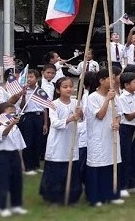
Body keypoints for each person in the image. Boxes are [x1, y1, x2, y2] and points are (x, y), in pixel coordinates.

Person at [40, 76, 83, 205]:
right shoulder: (54, 104)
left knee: (72, 169)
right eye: (65, 87)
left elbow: (81, 120)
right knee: (57, 171)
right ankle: (54, 197)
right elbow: (55, 123)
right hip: (58, 143)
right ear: (58, 90)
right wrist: (70, 119)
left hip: (71, 140)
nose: (69, 89)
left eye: (71, 86)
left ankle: (71, 196)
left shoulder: (76, 103)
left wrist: (80, 114)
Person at [84, 70, 124, 206]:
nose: (113, 81)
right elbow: (100, 115)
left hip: (111, 135)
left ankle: (112, 194)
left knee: (112, 163)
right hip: (98, 136)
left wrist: (117, 123)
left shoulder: (115, 96)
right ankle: (95, 197)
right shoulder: (92, 98)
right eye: (110, 79)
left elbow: (119, 113)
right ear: (101, 80)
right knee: (98, 164)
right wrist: (107, 99)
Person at [0, 102, 26, 217]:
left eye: (14, 113)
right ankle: (1, 206)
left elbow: (19, 146)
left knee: (17, 181)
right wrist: (10, 125)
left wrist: (21, 161)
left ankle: (16, 205)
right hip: (3, 156)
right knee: (4, 182)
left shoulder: (16, 128)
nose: (13, 115)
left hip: (15, 155)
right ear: (1, 115)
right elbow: (2, 135)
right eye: (9, 113)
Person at [18, 68, 47, 175]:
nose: (29, 79)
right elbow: (22, 107)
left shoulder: (40, 91)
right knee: (28, 142)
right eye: (27, 77)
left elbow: (45, 108)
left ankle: (36, 165)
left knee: (37, 142)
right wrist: (24, 95)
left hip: (39, 117)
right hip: (28, 117)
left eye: (31, 77)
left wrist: (45, 123)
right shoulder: (24, 91)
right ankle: (27, 166)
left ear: (37, 78)